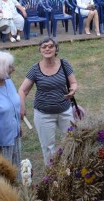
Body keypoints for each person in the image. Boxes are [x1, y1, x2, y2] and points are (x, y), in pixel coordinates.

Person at [18, 37, 77, 166]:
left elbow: (73, 82)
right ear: (40, 50)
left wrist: (72, 90)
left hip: (65, 111)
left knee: (71, 140)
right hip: (43, 114)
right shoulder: (35, 69)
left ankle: (69, 170)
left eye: (50, 46)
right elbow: (22, 90)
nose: (47, 49)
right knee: (48, 147)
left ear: (56, 49)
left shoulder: (64, 64)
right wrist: (21, 106)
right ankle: (52, 177)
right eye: (44, 46)